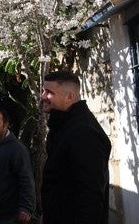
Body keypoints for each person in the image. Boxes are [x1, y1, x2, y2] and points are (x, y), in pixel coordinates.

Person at [40, 70, 111, 224]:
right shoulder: (62, 125)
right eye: (43, 90)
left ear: (70, 97)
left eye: (49, 92)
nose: (43, 96)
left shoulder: (84, 132)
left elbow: (90, 194)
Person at [0, 107, 35, 224]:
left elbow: (26, 180)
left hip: (8, 216)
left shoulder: (17, 149)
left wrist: (26, 208)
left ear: (6, 124)